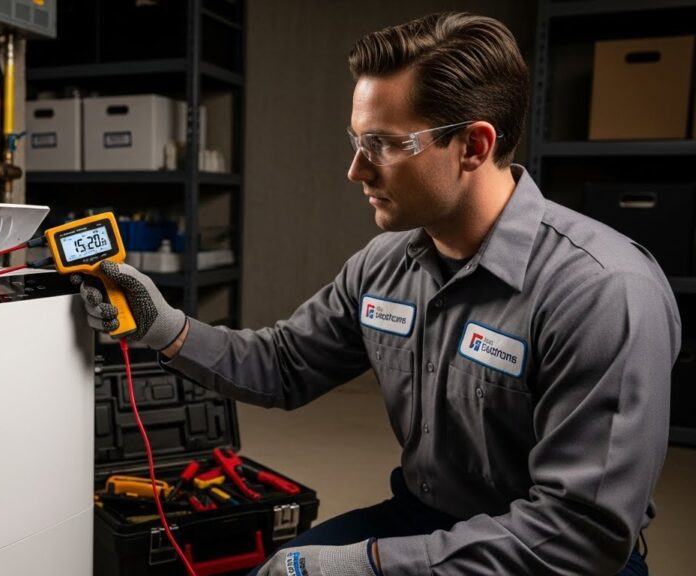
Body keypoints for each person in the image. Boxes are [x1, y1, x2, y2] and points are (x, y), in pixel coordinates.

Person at [76, 12, 681, 576]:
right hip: (424, 517)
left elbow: (582, 532)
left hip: (553, 554)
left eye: (385, 145)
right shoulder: (385, 264)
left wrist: (369, 566)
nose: (356, 170)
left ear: (473, 145)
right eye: (357, 140)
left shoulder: (603, 293)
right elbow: (284, 364)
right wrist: (166, 328)